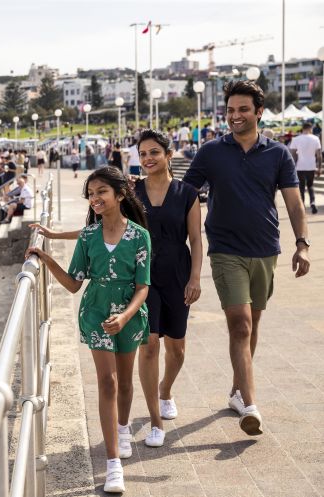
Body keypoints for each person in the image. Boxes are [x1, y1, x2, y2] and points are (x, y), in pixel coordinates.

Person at [183, 79, 310, 436]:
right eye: (230, 110)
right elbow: (185, 191)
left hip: (266, 248)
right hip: (225, 249)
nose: (234, 116)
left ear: (258, 112)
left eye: (242, 110)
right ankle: (250, 406)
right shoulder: (211, 152)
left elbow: (294, 202)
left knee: (251, 325)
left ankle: (239, 391)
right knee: (240, 324)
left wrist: (302, 243)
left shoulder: (278, 154)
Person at [26, 167, 151, 493]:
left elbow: (143, 288)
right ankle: (113, 465)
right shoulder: (88, 237)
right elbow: (72, 284)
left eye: (101, 192)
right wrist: (45, 257)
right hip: (95, 313)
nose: (94, 199)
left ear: (120, 194)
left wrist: (124, 317)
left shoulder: (140, 236)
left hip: (129, 316)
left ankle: (122, 429)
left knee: (125, 382)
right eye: (90, 194)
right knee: (107, 382)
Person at [134, 129, 203, 447]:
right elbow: (107, 227)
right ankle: (155, 421)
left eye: (153, 153)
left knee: (176, 348)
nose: (147, 159)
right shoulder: (131, 192)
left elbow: (196, 239)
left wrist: (195, 277)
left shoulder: (187, 193)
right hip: (144, 277)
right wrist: (54, 237)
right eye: (142, 154)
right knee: (149, 345)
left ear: (168, 155)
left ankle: (165, 390)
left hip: (178, 274)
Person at [289, 122, 322, 214]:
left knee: (301, 187)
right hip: (311, 166)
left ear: (302, 128)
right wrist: (319, 168)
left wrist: (293, 166)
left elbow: (293, 154)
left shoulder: (296, 139)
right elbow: (319, 156)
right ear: (310, 128)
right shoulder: (315, 138)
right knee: (310, 185)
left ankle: (302, 206)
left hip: (299, 166)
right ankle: (312, 202)